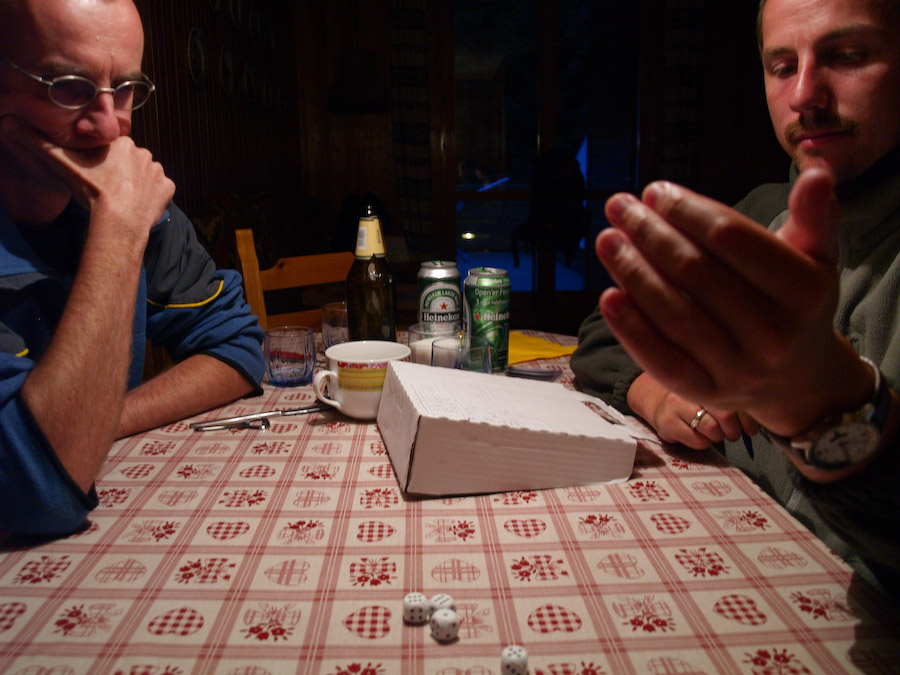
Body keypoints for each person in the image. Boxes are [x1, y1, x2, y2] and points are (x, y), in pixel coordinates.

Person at [571, 0, 900, 596]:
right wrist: (656, 392)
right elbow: (601, 331)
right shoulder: (758, 212)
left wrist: (816, 400)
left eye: (849, 55)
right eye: (782, 66)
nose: (804, 93)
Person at [0, 0, 265, 538]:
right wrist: (118, 228)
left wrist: (98, 422)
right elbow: (35, 494)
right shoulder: (127, 209)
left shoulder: (140, 208)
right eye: (68, 86)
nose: (109, 127)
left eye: (124, 90)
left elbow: (236, 348)